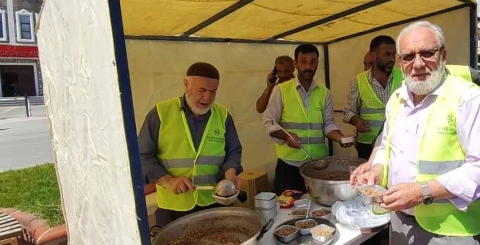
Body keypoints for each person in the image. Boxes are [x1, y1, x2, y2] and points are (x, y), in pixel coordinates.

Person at [353, 21, 480, 245]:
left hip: (452, 236)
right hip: (403, 226)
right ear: (399, 61)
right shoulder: (397, 100)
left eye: (427, 53)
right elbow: (386, 147)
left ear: (443, 54)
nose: (417, 63)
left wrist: (422, 192)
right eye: (408, 56)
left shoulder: (468, 98)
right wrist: (375, 169)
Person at [138, 62, 243, 226]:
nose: (207, 97)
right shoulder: (160, 113)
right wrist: (168, 181)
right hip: (174, 208)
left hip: (214, 202)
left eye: (213, 91)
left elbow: (234, 150)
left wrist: (230, 172)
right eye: (201, 90)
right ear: (186, 84)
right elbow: (142, 155)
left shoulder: (223, 116)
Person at [263, 44, 354, 194]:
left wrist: (340, 138)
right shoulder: (281, 90)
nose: (308, 66)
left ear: (317, 63)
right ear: (295, 63)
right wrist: (286, 136)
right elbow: (268, 122)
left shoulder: (324, 93)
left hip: (318, 166)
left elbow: (328, 124)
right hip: (289, 167)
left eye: (313, 62)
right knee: (288, 211)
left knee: (318, 209)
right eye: (303, 61)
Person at [344, 35, 402, 160]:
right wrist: (357, 121)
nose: (392, 59)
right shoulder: (359, 81)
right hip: (367, 146)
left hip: (398, 144)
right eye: (387, 54)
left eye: (393, 54)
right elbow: (349, 111)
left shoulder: (404, 77)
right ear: (374, 56)